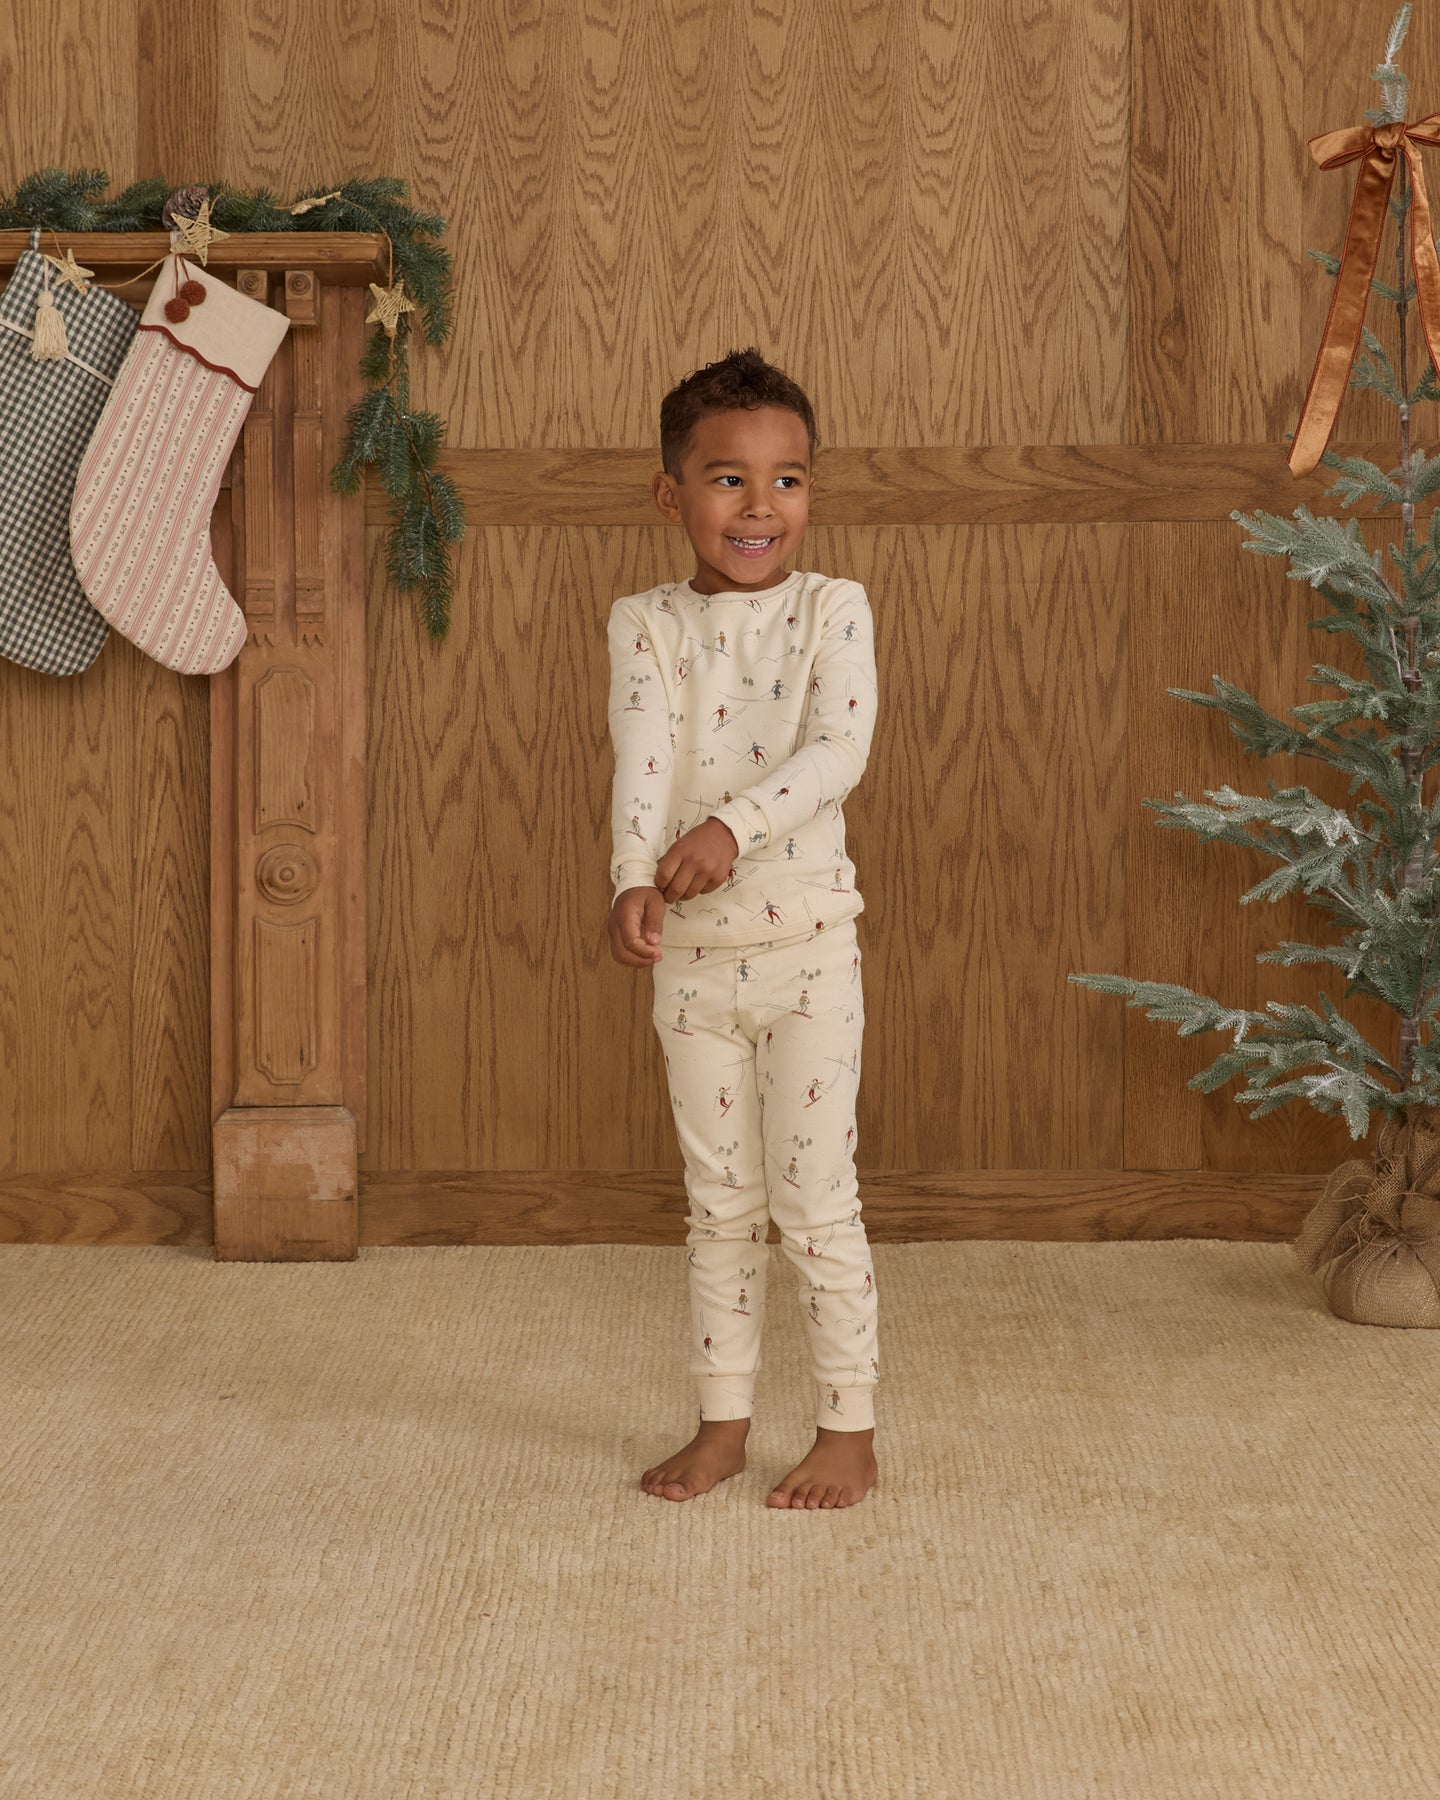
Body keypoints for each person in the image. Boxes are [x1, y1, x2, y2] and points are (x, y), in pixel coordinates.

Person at [604, 347, 880, 1509]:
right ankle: (722, 1423)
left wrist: (730, 828)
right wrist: (633, 877)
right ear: (671, 495)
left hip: (809, 959)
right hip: (694, 968)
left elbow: (838, 751)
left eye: (788, 481)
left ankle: (848, 1429)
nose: (761, 507)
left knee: (814, 1203)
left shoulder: (833, 610)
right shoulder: (646, 623)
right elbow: (642, 754)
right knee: (718, 1204)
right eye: (729, 480)